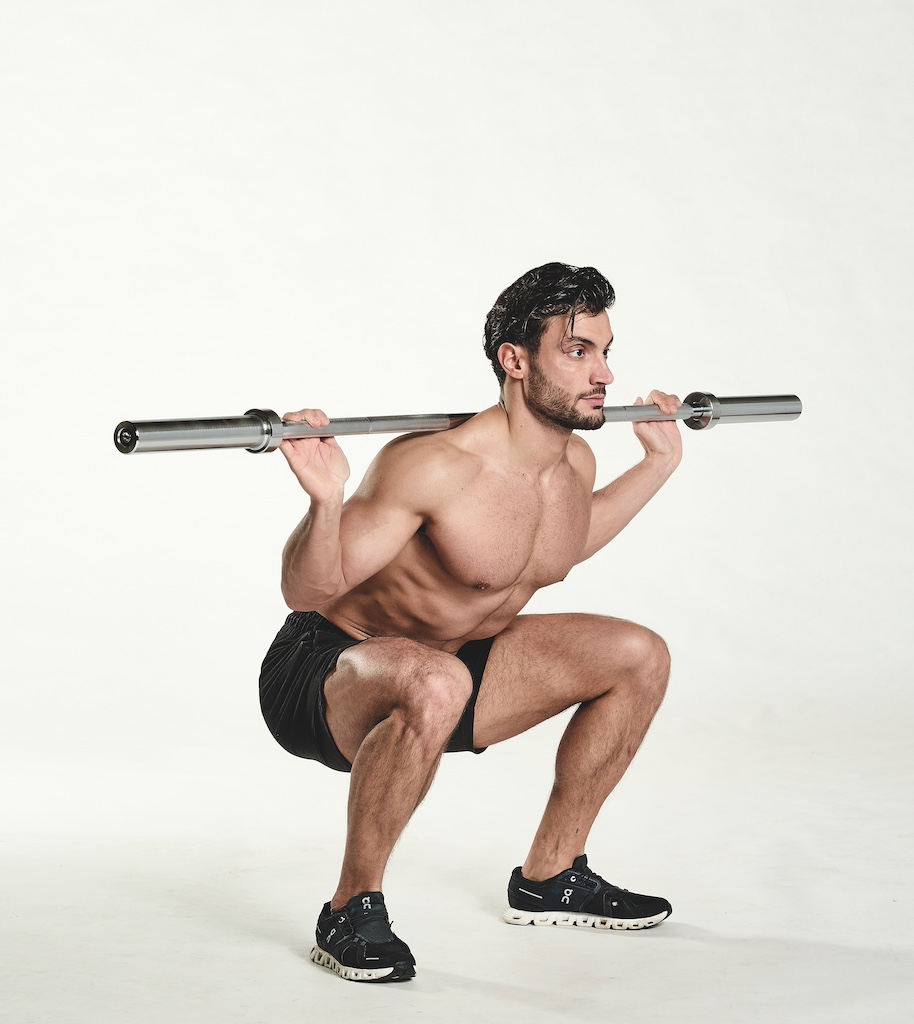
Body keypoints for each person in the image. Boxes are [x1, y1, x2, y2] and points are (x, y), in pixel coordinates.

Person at [260, 262, 682, 983]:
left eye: (606, 352)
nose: (603, 374)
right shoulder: (434, 464)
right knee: (436, 678)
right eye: (577, 352)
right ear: (515, 361)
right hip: (329, 670)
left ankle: (550, 876)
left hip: (453, 664)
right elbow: (306, 590)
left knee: (639, 655)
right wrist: (326, 503)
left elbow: (557, 547)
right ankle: (349, 910)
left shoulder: (572, 465)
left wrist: (656, 467)